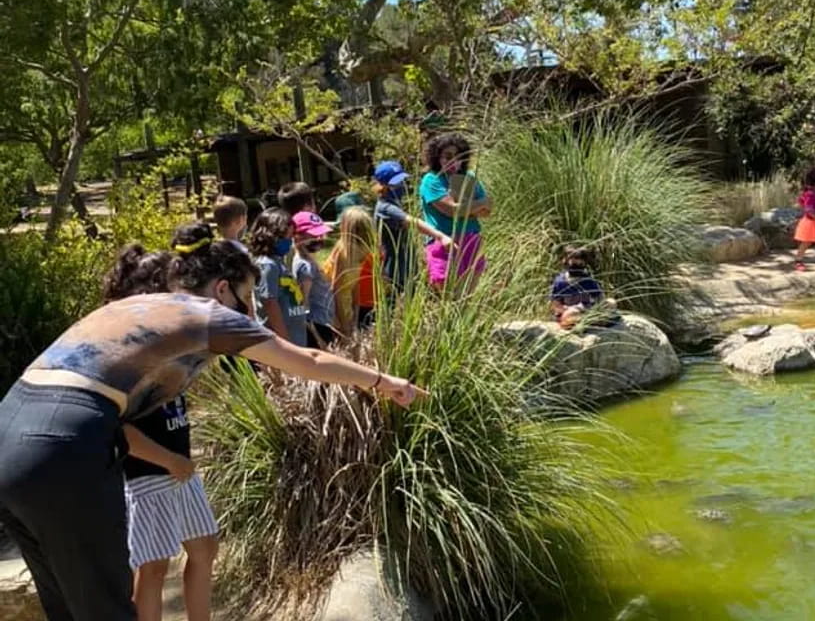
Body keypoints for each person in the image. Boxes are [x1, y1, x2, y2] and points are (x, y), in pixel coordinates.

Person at [0, 222, 423, 621]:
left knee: (67, 607)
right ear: (223, 288)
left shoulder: (135, 305)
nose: (250, 311)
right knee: (105, 606)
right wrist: (383, 382)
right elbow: (307, 360)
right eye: (248, 298)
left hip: (10, 428)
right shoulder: (205, 314)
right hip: (63, 443)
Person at [101, 240, 218, 621]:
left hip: (180, 471)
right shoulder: (125, 352)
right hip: (149, 475)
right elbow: (121, 432)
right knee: (152, 566)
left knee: (204, 547)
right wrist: (169, 461)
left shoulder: (165, 346)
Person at [419, 133, 492, 290]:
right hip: (445, 242)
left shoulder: (469, 177)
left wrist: (465, 208)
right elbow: (451, 210)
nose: (454, 160)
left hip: (471, 240)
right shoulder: (431, 180)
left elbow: (487, 210)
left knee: (468, 296)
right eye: (448, 156)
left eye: (458, 156)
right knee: (449, 297)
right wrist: (476, 206)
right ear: (437, 157)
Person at [372, 160, 454, 292]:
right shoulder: (385, 208)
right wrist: (440, 236)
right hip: (396, 270)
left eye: (402, 180)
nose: (401, 185)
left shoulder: (394, 203)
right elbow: (412, 221)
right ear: (383, 185)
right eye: (396, 183)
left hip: (407, 265)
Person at [251, 209, 306, 345]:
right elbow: (270, 303)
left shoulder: (278, 262)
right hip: (283, 342)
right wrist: (285, 341)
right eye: (287, 237)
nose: (290, 241)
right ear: (272, 235)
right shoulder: (267, 265)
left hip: (296, 336)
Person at [324, 206, 377, 337]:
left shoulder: (363, 250)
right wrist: (343, 323)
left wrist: (355, 312)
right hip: (333, 305)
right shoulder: (343, 252)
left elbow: (355, 284)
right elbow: (335, 288)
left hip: (348, 302)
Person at [292, 211, 337, 350]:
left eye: (320, 235)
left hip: (325, 319)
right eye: (312, 236)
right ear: (297, 237)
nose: (319, 239)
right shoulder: (305, 266)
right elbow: (303, 301)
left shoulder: (308, 260)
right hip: (318, 323)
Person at [550, 245, 606, 329]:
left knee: (611, 303)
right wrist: (569, 309)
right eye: (573, 262)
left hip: (586, 312)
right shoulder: (561, 282)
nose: (577, 264)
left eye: (580, 262)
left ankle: (592, 321)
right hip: (568, 314)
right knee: (572, 313)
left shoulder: (588, 281)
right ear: (566, 261)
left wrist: (589, 309)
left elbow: (600, 299)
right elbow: (556, 306)